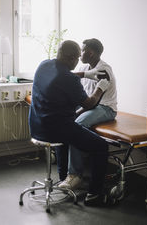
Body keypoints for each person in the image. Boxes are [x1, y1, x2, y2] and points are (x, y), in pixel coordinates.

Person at [29, 40, 111, 206]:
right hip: (57, 128)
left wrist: (86, 74)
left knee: (64, 140)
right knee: (101, 146)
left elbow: (61, 75)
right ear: (72, 58)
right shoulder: (69, 80)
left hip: (37, 127)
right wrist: (100, 88)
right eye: (77, 58)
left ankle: (63, 181)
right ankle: (95, 195)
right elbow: (89, 103)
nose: (78, 61)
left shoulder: (44, 65)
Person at [59, 38, 117, 190]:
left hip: (105, 108)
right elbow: (76, 83)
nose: (80, 53)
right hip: (90, 104)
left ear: (90, 53)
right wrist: (84, 74)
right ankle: (63, 172)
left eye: (82, 50)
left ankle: (75, 175)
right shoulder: (85, 66)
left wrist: (76, 113)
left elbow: (94, 103)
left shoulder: (104, 70)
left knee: (76, 125)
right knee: (63, 118)